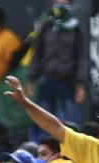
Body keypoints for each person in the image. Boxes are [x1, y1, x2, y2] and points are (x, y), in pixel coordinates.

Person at [28, 0, 86, 138]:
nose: (59, 6)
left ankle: (72, 152)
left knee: (72, 121)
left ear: (70, 5)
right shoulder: (46, 26)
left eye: (64, 3)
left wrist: (81, 84)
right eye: (57, 2)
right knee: (43, 119)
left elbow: (80, 57)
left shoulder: (75, 28)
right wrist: (31, 78)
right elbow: (38, 53)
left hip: (68, 80)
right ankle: (44, 153)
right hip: (47, 78)